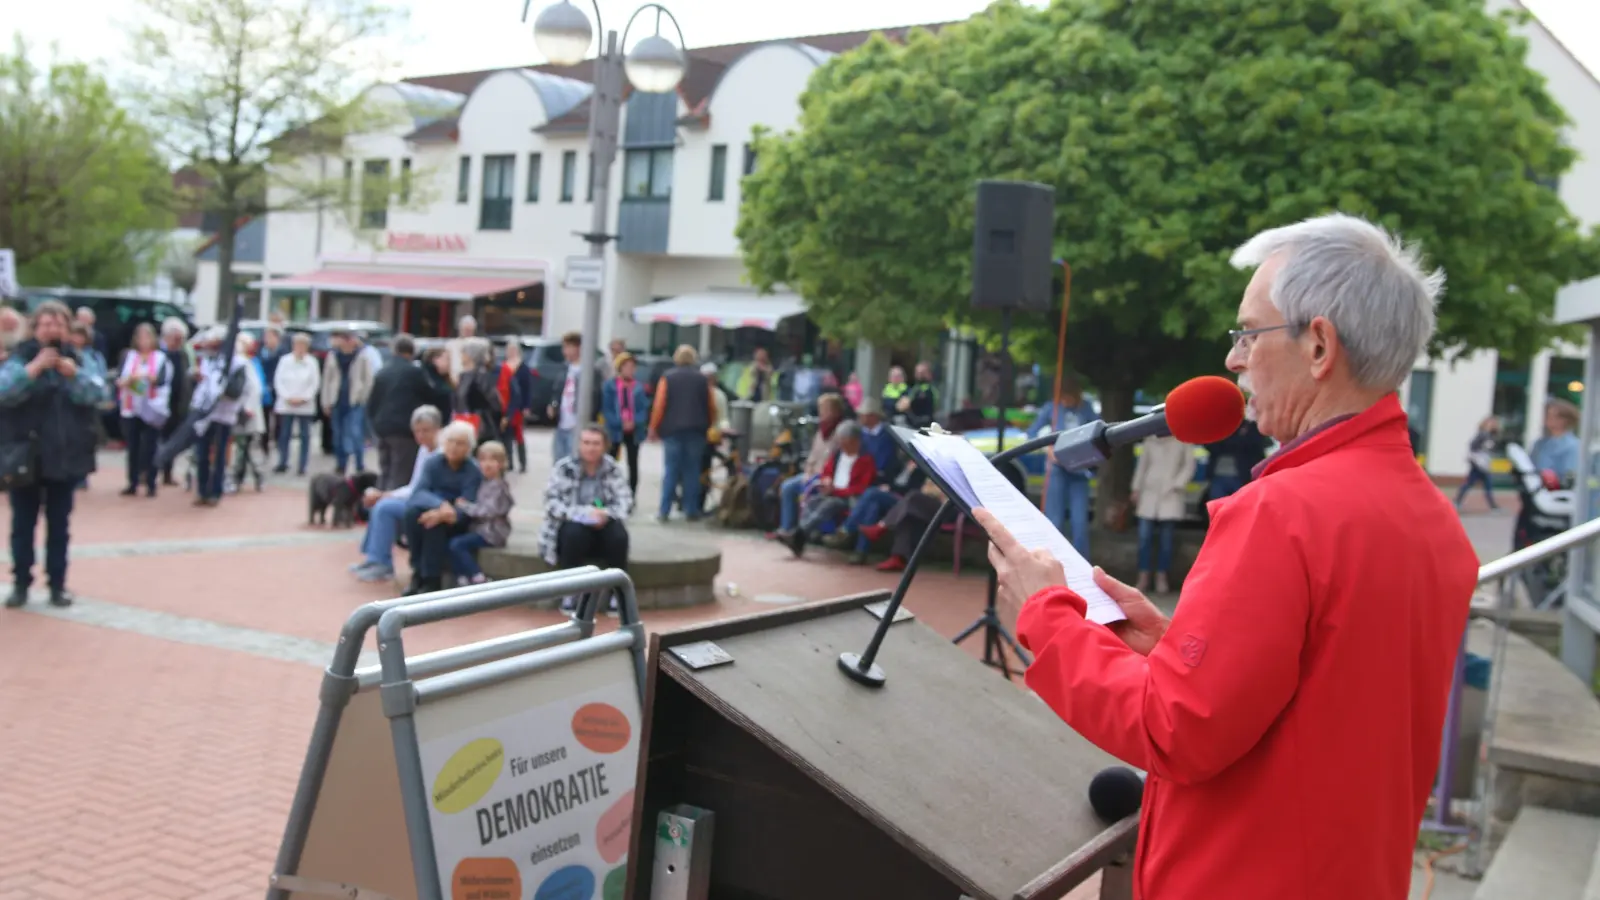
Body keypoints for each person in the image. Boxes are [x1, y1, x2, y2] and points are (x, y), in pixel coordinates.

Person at [978, 213, 1479, 899]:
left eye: (1248, 333)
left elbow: (1175, 732)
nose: (1235, 359)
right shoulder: (1435, 519)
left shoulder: (1282, 512)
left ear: (1319, 346)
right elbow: (1322, 700)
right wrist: (1169, 647)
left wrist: (1046, 615)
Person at [0, 301, 108, 607]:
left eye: (59, 324)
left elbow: (101, 394)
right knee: (23, 525)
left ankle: (57, 584)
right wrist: (33, 369)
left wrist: (74, 375)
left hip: (65, 456)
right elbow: (3, 392)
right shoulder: (20, 358)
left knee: (59, 526)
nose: (52, 330)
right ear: (35, 328)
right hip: (26, 456)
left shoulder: (80, 359)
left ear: (67, 328)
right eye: (46, 324)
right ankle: (21, 583)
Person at [540, 424, 633, 613]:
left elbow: (626, 501)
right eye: (586, 443)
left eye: (596, 443)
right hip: (573, 523)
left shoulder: (612, 469)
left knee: (619, 536)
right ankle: (570, 592)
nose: (591, 448)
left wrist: (605, 514)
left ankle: (616, 593)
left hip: (604, 522)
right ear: (579, 445)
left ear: (604, 446)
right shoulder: (564, 467)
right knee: (574, 534)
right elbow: (551, 503)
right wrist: (582, 515)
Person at [351, 406, 440, 584]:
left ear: (438, 429)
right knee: (379, 503)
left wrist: (387, 496)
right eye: (417, 431)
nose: (421, 436)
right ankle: (373, 558)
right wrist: (385, 494)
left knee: (385, 508)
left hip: (430, 503)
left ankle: (382, 564)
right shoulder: (424, 450)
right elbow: (414, 485)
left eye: (426, 430)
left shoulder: (441, 452)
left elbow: (420, 489)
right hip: (417, 498)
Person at [402, 421, 483, 595]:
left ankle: (431, 579)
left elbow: (469, 502)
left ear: (469, 448)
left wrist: (442, 514)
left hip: (456, 518)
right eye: (450, 441)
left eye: (460, 443)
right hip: (434, 508)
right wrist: (440, 505)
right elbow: (419, 492)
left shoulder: (473, 470)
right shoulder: (433, 462)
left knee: (435, 525)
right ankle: (417, 572)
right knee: (412, 514)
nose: (454, 447)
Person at [1029, 376, 1100, 557]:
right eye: (1062, 397)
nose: (1065, 401)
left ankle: (1081, 563)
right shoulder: (1052, 408)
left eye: (1068, 397)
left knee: (1079, 523)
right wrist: (1048, 449)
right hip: (1057, 470)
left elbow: (1099, 433)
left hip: (1079, 471)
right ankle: (1052, 561)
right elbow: (1031, 433)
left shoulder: (1086, 409)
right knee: (1055, 521)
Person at [786, 420, 876, 557]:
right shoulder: (838, 454)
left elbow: (861, 488)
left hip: (849, 498)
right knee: (812, 501)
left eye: (845, 442)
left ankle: (799, 535)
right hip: (832, 492)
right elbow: (827, 471)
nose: (842, 445)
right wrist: (826, 480)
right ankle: (801, 537)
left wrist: (836, 491)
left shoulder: (866, 460)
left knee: (829, 505)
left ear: (855, 441)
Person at [648, 345, 717, 522]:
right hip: (696, 430)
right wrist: (708, 424)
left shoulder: (668, 378)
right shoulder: (702, 379)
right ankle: (691, 510)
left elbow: (659, 405)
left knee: (671, 470)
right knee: (692, 471)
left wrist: (654, 427)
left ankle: (664, 510)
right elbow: (711, 405)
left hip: (672, 430)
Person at [770, 392, 847, 543]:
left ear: (836, 411)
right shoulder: (820, 431)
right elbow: (812, 456)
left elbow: (835, 461)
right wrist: (807, 472)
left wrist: (818, 477)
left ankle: (801, 533)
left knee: (810, 490)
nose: (822, 412)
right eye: (821, 409)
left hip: (826, 477)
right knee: (788, 486)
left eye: (825, 409)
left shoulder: (841, 433)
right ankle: (787, 528)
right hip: (812, 474)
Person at [192, 330, 255, 506]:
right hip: (205, 415)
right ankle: (202, 490)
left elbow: (236, 391)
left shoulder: (238, 364)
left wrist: (220, 389)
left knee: (219, 454)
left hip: (224, 414)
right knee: (202, 453)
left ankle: (215, 491)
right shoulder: (207, 361)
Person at [1129, 433, 1195, 595]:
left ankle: (1161, 576)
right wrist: (1136, 488)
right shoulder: (1150, 440)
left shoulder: (1183, 440)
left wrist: (1177, 484)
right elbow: (1142, 466)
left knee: (1167, 540)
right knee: (1144, 538)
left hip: (1170, 494)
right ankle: (1143, 576)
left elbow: (1189, 466)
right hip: (1149, 493)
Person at [367, 334, 435, 490]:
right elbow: (430, 396)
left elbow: (372, 403)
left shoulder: (382, 372)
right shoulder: (414, 372)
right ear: (412, 351)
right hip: (404, 429)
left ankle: (379, 500)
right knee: (401, 474)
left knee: (385, 470)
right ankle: (392, 502)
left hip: (382, 427)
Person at [116, 323, 172, 497]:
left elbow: (163, 381)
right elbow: (119, 379)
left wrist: (149, 377)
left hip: (152, 407)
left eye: (147, 337)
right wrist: (129, 379)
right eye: (140, 337)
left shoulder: (161, 358)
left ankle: (151, 482)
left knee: (150, 446)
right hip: (131, 406)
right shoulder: (129, 356)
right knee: (133, 446)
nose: (144, 341)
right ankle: (132, 482)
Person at [449, 440, 515, 586]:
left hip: (492, 532)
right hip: (482, 530)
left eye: (493, 460)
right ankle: (461, 576)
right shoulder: (485, 482)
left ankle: (477, 576)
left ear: (501, 464)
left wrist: (465, 506)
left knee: (457, 544)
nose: (487, 464)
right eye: (483, 460)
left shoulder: (499, 487)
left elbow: (487, 511)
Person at [319, 330, 375, 475]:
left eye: (349, 338)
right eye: (344, 339)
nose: (347, 342)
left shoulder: (361, 356)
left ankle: (359, 464)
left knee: (355, 433)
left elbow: (368, 379)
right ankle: (341, 464)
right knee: (338, 435)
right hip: (337, 400)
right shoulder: (333, 356)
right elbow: (327, 380)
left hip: (355, 401)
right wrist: (326, 401)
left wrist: (363, 397)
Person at [601, 352, 650, 496]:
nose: (630, 370)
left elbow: (643, 408)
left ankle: (631, 494)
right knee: (610, 462)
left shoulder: (638, 387)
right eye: (626, 366)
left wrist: (635, 421)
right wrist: (619, 423)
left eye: (632, 367)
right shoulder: (610, 386)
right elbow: (607, 409)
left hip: (634, 430)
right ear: (620, 368)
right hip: (615, 429)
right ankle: (608, 492)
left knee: (633, 463)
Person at [272, 332, 321, 475]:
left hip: (305, 404)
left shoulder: (312, 362)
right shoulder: (285, 361)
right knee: (284, 434)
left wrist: (304, 398)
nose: (300, 348)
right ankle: (283, 461)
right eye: (297, 345)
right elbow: (278, 380)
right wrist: (287, 397)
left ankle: (302, 465)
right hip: (287, 403)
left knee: (305, 435)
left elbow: (315, 383)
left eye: (303, 345)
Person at [159, 318, 192, 486]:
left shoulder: (183, 355)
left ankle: (167, 472)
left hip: (178, 403)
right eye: (175, 339)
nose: (178, 343)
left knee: (172, 439)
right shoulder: (160, 354)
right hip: (160, 402)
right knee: (155, 439)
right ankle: (147, 471)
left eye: (181, 339)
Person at [453, 338, 503, 446]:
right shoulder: (463, 376)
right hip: (462, 423)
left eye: (463, 352)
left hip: (480, 428)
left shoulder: (482, 376)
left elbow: (494, 404)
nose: (461, 355)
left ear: (471, 354)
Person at [497, 341, 533, 474]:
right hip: (507, 404)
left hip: (519, 406)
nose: (511, 352)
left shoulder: (523, 368)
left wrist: (527, 406)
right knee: (506, 434)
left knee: (518, 435)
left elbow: (528, 388)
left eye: (513, 350)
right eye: (509, 350)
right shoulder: (503, 366)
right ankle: (509, 462)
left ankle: (523, 463)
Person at [548, 331, 583, 460]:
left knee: (574, 460)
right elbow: (557, 391)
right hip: (562, 423)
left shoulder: (587, 371)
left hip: (576, 425)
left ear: (578, 348)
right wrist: (553, 404)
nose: (564, 351)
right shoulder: (565, 369)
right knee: (559, 460)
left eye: (568, 347)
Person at [1531, 399, 1580, 486]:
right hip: (1536, 489)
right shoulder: (1539, 444)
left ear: (1565, 420)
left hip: (1559, 491)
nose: (1548, 419)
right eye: (1546, 415)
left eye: (1553, 416)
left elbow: (1570, 476)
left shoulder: (1574, 445)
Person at [1456, 416, 1500, 511]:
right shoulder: (1482, 435)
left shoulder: (1490, 436)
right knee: (1479, 484)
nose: (1492, 425)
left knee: (1474, 483)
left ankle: (1458, 501)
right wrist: (1477, 457)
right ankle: (1493, 506)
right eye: (1490, 423)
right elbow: (1473, 446)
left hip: (1483, 464)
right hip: (1479, 464)